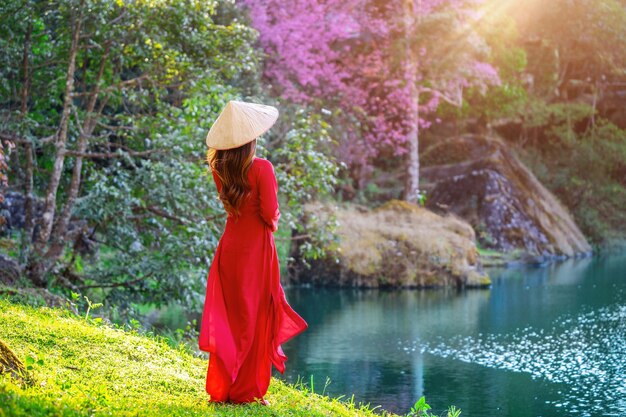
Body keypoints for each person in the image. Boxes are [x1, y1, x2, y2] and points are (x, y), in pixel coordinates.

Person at [198, 100, 308, 405]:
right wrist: (274, 220)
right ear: (252, 138)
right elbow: (269, 214)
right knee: (254, 318)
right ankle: (246, 390)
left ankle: (224, 389)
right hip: (256, 252)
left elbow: (234, 206)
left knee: (231, 319)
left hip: (230, 249)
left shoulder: (218, 167)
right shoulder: (262, 168)